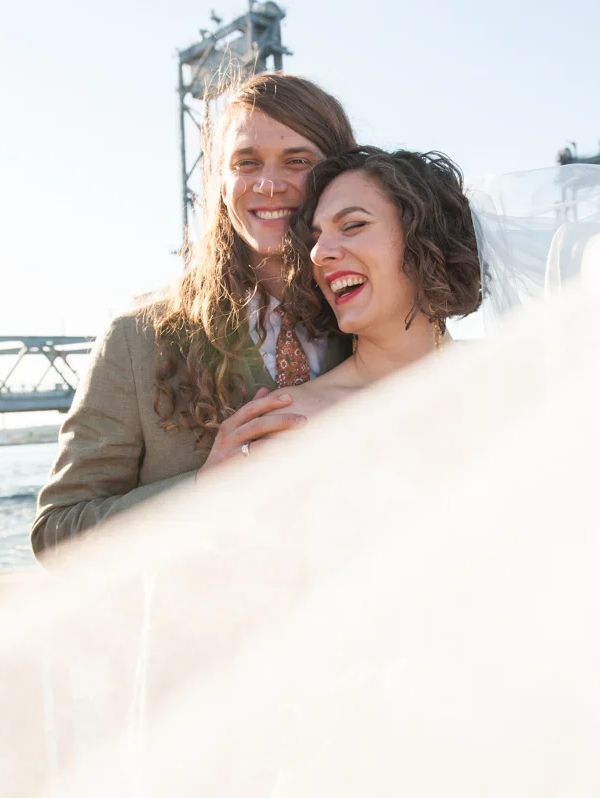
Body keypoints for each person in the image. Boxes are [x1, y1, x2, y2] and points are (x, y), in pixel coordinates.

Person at [30, 73, 356, 559]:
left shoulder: (382, 326)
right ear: (222, 184)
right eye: (246, 162)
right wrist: (201, 491)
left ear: (340, 176)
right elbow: (56, 537)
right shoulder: (136, 339)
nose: (268, 183)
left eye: (298, 161)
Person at [238, 147, 483, 436]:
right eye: (315, 239)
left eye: (353, 225)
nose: (318, 253)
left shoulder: (516, 376)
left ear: (425, 238)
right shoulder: (291, 419)